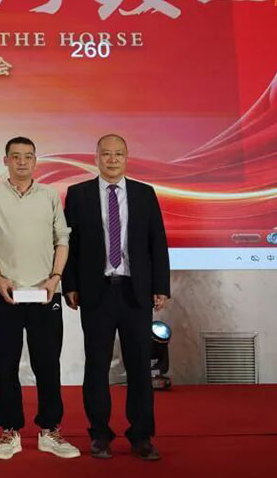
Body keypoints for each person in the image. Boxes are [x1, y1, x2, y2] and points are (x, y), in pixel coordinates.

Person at [64, 134, 170, 462]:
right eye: (106, 154)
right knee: (97, 365)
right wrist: (70, 284)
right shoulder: (78, 194)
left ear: (127, 158)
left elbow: (157, 242)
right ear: (96, 158)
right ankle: (99, 435)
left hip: (134, 291)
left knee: (139, 365)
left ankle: (142, 436)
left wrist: (161, 286)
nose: (112, 160)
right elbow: (70, 245)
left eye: (118, 154)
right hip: (96, 292)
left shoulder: (144, 194)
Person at [0, 136, 80, 460]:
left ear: (35, 161)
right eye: (15, 156)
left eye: (28, 156)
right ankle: (9, 431)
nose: (21, 162)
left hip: (44, 293)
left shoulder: (50, 195)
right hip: (3, 293)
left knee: (47, 363)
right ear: (5, 160)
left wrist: (55, 278)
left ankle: (50, 430)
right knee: (5, 364)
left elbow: (62, 239)